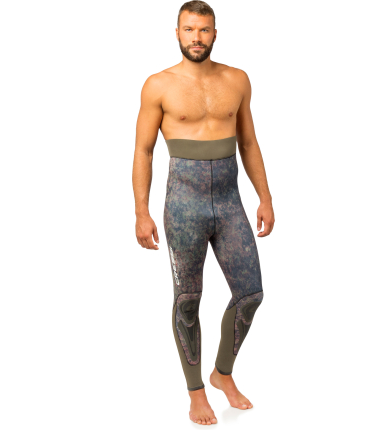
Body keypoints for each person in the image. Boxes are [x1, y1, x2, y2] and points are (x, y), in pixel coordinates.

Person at [132, 1, 275, 425]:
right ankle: (196, 391)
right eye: (190, 29)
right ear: (177, 32)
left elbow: (248, 142)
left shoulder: (237, 79)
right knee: (188, 299)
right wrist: (141, 211)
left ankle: (222, 373)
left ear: (215, 33)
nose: (197, 37)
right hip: (184, 204)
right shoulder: (158, 85)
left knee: (250, 294)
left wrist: (265, 197)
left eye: (204, 30)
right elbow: (143, 150)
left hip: (230, 202)